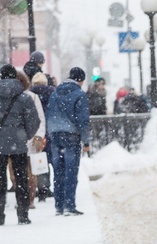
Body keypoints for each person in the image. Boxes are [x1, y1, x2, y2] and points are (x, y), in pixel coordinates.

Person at [46, 67, 90, 216]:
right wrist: (86, 141)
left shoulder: (55, 93)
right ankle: (69, 206)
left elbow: (49, 113)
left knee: (58, 172)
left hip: (55, 136)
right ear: (81, 80)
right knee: (70, 172)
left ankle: (58, 206)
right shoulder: (79, 95)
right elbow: (83, 120)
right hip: (71, 136)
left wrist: (51, 132)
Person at [0, 64, 41, 225]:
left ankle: (0, 215)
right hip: (18, 143)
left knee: (0, 180)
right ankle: (23, 215)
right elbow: (34, 121)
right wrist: (25, 136)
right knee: (21, 178)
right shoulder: (24, 97)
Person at [30, 72, 55, 201]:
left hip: (37, 132)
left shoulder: (30, 95)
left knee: (39, 160)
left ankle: (40, 189)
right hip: (50, 130)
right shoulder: (52, 92)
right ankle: (47, 187)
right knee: (51, 160)